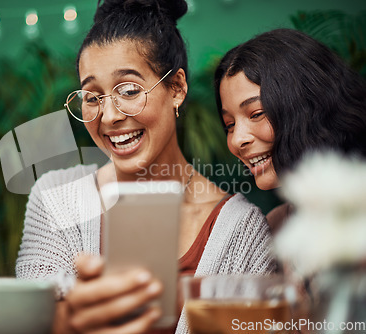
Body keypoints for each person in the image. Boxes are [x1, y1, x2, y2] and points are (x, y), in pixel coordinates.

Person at [16, 0, 276, 332]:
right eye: (93, 96)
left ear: (177, 88)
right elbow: (30, 324)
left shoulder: (244, 231)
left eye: (128, 90)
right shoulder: (56, 199)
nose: (109, 116)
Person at [214, 28, 366, 231]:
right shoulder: (275, 228)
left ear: (308, 106)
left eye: (256, 114)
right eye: (230, 125)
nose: (236, 140)